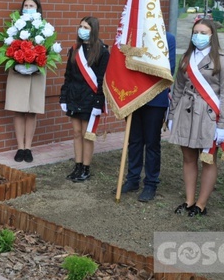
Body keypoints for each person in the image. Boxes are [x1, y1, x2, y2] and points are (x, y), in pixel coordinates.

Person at [168, 18, 224, 217]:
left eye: (203, 33)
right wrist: (171, 114)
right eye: (196, 32)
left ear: (212, 35)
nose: (198, 36)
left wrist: (223, 124)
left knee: (208, 160)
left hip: (208, 116)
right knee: (188, 158)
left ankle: (201, 204)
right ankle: (188, 201)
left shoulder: (223, 60)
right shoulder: (187, 58)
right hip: (185, 113)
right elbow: (178, 87)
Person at [121, 31, 176, 202]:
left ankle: (151, 183)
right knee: (135, 140)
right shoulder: (133, 35)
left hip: (155, 99)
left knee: (152, 142)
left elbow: (169, 68)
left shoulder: (168, 38)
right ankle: (133, 179)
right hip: (134, 97)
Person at [60, 16, 110, 182]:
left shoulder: (102, 51)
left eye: (86, 27)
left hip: (91, 99)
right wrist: (64, 97)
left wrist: (99, 101)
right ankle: (78, 165)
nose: (82, 30)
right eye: (80, 26)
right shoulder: (75, 49)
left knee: (87, 134)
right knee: (76, 133)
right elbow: (68, 76)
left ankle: (86, 169)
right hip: (75, 96)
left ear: (93, 30)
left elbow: (103, 79)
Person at [5, 0, 47, 163]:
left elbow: (48, 50)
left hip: (36, 74)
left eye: (32, 5)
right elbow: (7, 47)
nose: (28, 8)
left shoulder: (44, 28)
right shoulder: (14, 27)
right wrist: (16, 62)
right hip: (18, 72)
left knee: (31, 111)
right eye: (26, 5)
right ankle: (19, 147)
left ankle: (28, 147)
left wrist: (38, 62)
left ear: (38, 9)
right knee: (18, 110)